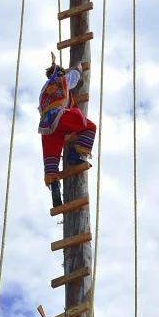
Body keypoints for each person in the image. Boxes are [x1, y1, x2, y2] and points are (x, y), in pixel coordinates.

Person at [38, 53, 97, 208]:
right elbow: (74, 77)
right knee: (89, 127)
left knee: (51, 158)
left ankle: (55, 187)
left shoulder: (43, 91)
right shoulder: (60, 80)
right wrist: (78, 67)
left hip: (45, 125)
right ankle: (74, 154)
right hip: (59, 116)